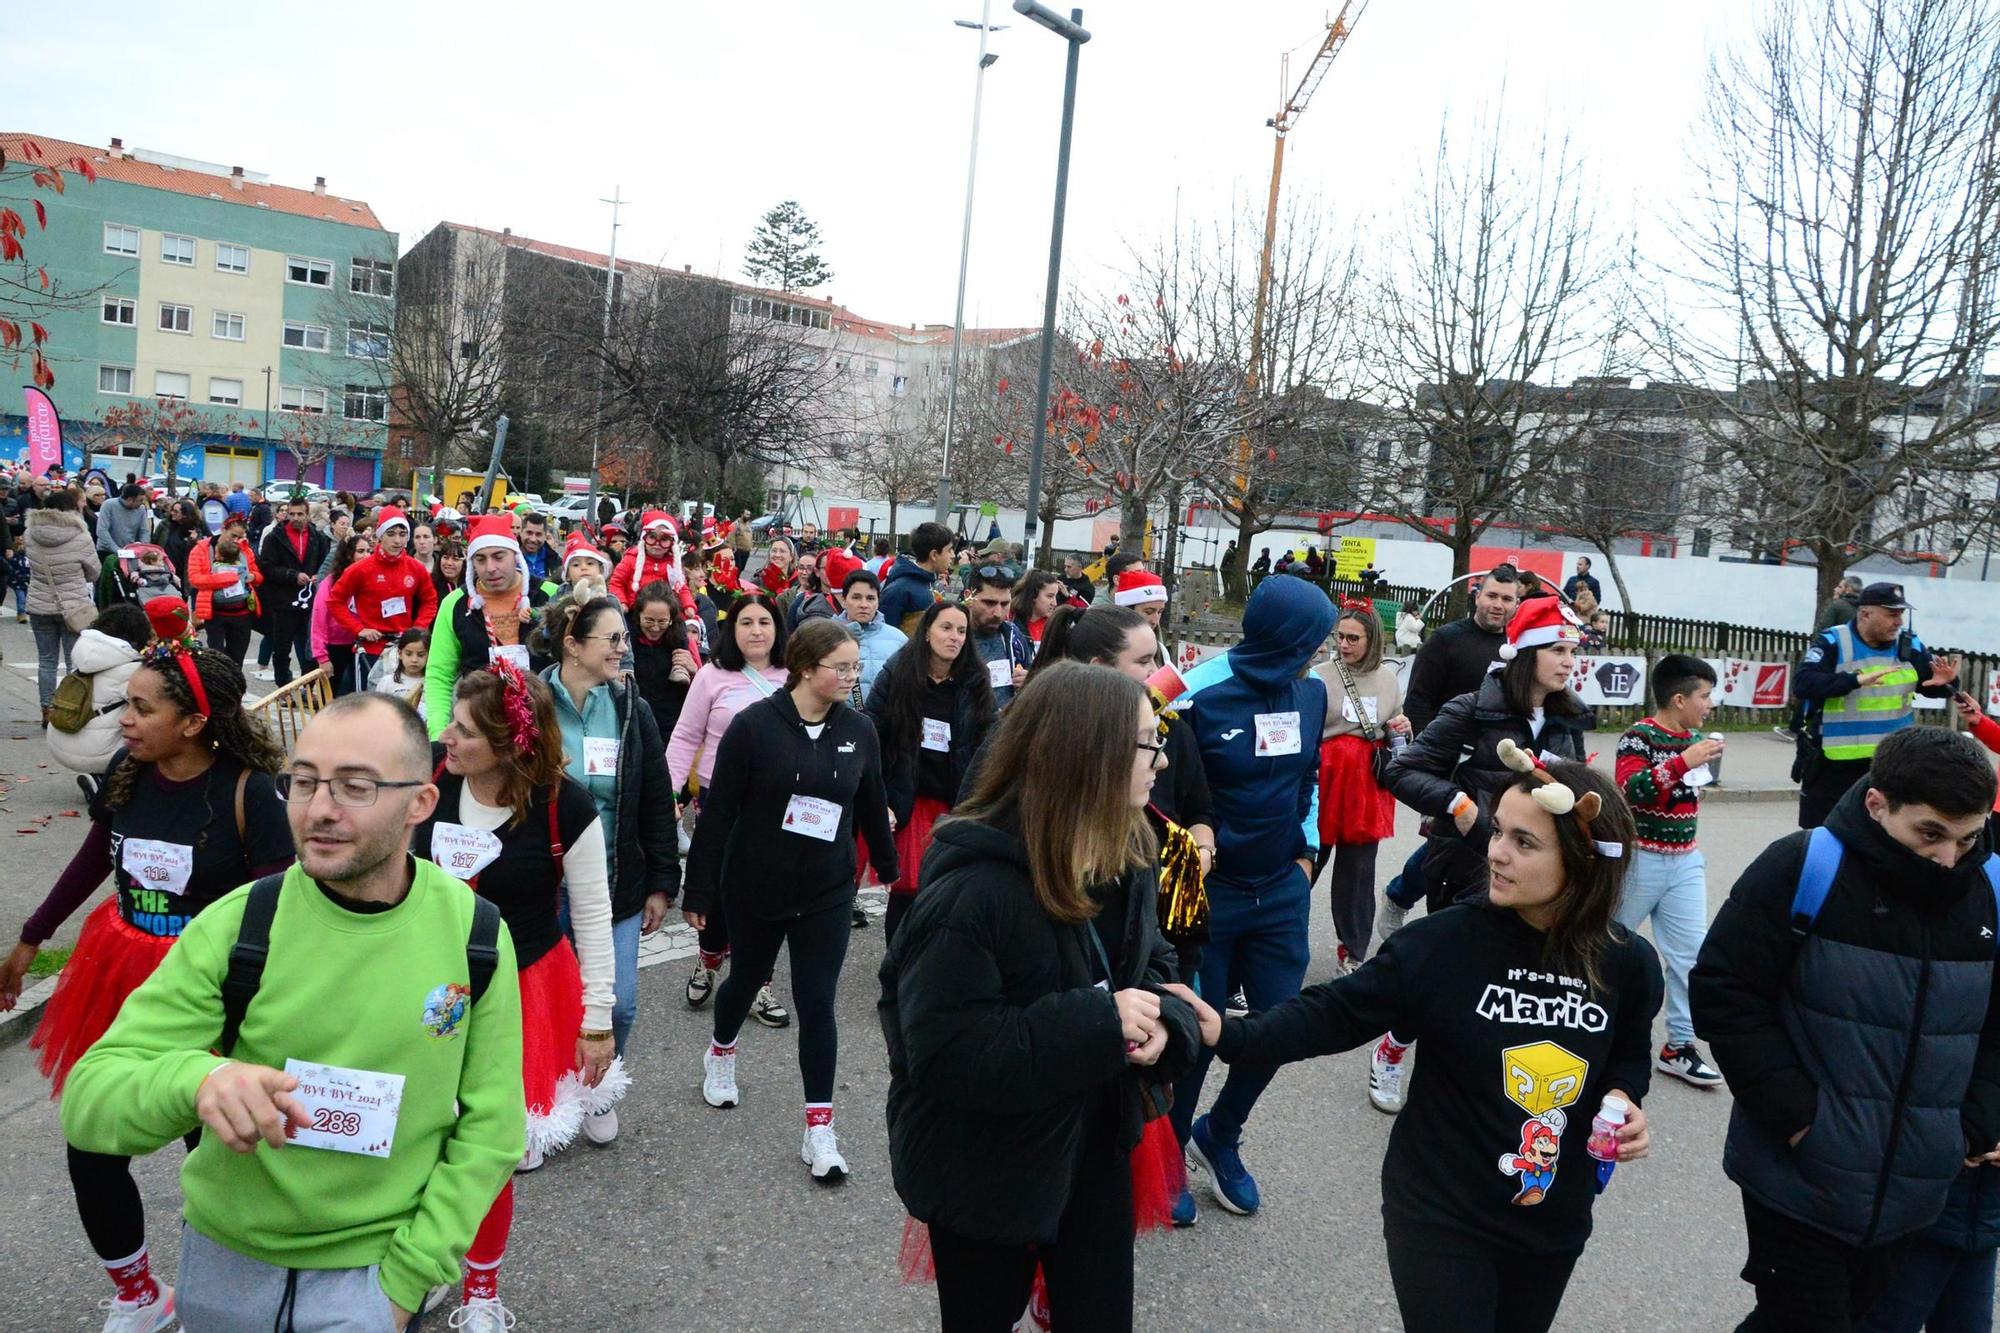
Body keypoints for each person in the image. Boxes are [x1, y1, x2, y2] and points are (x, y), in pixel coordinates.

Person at [59, 692, 525, 1333]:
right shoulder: (240, 924)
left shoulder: (475, 933)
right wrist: (199, 1080)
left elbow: (492, 1127)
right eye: (303, 782)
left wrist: (407, 1281)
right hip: (224, 1268)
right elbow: (91, 1102)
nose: (319, 810)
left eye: (355, 787)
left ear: (420, 803)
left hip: (375, 1274)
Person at [1183, 757, 1661, 1333]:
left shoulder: (1627, 963)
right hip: (1441, 1212)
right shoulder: (1445, 942)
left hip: (1553, 1218)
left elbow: (1629, 1052)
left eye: (1524, 842)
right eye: (1498, 831)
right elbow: (1336, 1012)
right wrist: (1230, 1032)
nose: (1496, 852)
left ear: (1582, 859)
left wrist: (1624, 1098)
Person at [880, 661, 1200, 1330]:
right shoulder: (971, 893)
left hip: (1096, 1142)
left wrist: (1168, 1021)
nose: (1164, 760)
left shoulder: (1128, 851)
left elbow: (1155, 964)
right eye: (1149, 743)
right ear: (1090, 753)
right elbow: (943, 1054)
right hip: (987, 1166)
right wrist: (1100, 1022)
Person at [1, 643, 290, 1332]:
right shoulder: (126, 771)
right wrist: (33, 936)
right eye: (123, 703)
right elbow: (92, 856)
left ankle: (215, 1297)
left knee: (211, 1152)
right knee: (93, 1141)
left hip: (212, 992)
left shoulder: (250, 792)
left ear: (192, 722)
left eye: (140, 706)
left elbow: (279, 909)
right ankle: (139, 1295)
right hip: (120, 976)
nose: (122, 719)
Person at [1691, 726, 2000, 1333]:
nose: (1949, 859)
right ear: (1877, 804)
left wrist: (1973, 1125)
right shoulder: (1803, 866)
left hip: (1918, 1183)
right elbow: (1725, 991)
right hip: (1799, 1178)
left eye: (1967, 839)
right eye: (1931, 834)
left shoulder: (1989, 888)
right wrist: (1799, 1119)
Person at [413, 665, 622, 1327]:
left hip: (521, 988)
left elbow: (592, 915)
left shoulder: (566, 806)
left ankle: (481, 1292)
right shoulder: (430, 782)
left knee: (488, 1149)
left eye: (465, 731)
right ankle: (426, 1263)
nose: (446, 736)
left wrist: (597, 1019)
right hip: (430, 987)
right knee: (420, 1138)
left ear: (510, 745)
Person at [682, 620, 896, 1179]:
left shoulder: (859, 729)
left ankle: (819, 1129)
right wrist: (699, 888)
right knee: (747, 980)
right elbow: (719, 815)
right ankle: (721, 1050)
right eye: (841, 667)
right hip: (756, 885)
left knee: (817, 1002)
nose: (851, 677)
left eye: (855, 667)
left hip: (827, 891)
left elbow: (871, 800)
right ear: (804, 668)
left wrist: (890, 867)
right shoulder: (754, 727)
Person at [1373, 594, 1590, 1115]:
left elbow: (1574, 790)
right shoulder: (1471, 709)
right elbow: (1402, 770)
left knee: (1507, 980)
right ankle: (1394, 1046)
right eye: (1558, 650)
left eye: (1573, 651)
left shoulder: (1568, 718)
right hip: (1464, 864)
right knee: (1447, 974)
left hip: (1535, 876)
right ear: (1527, 653)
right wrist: (1459, 804)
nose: (1569, 662)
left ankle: (1471, 1079)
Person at [1167, 576, 1331, 1224]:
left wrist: (1306, 853)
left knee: (1278, 1028)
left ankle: (1220, 1133)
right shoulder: (1192, 693)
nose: (1321, 653)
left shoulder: (1312, 693)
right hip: (1209, 893)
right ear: (1283, 637)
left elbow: (1308, 777)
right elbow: (1166, 793)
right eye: (1313, 640)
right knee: (1195, 1034)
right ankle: (1168, 1152)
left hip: (1281, 890)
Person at [536, 594, 679, 1145]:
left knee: (619, 1004)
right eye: (613, 639)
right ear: (573, 645)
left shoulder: (631, 710)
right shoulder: (529, 705)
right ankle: (543, 1099)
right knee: (547, 1001)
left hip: (617, 880)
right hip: (544, 887)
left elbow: (655, 799)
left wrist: (662, 882)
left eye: (624, 637)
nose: (624, 648)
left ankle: (598, 1088)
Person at [1029, 605, 1215, 987]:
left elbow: (1200, 808)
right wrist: (1102, 1011)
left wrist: (1200, 854)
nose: (1158, 673)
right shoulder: (1023, 856)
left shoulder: (1173, 732)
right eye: (1144, 661)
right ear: (1099, 668)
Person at [665, 592, 793, 1028]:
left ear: (778, 628)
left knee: (767, 897)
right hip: (720, 802)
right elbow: (686, 736)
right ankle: (708, 957)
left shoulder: (794, 675)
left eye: (764, 622)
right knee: (719, 893)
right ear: (731, 630)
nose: (756, 631)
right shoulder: (711, 676)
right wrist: (668, 794)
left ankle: (758, 983)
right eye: (746, 623)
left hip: (778, 808)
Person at [1615, 654, 1727, 1089]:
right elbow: (1629, 790)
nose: (1710, 704)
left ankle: (1679, 1046)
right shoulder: (1638, 737)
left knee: (1690, 957)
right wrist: (1683, 762)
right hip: (1640, 858)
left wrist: (1696, 762)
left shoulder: (1696, 739)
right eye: (1705, 696)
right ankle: (1594, 1025)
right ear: (1679, 699)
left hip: (1685, 860)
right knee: (1610, 945)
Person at [865, 601, 998, 940]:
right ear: (926, 632)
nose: (955, 637)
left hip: (955, 802)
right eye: (946, 628)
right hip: (908, 800)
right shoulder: (898, 672)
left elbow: (990, 742)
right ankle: (897, 962)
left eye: (962, 631)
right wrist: (880, 796)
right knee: (906, 894)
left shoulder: (975, 679)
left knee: (948, 894)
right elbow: (872, 733)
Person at [1792, 581, 1957, 830]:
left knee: (1886, 836)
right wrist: (1853, 681)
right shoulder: (1834, 641)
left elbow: (1932, 685)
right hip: (1835, 765)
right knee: (1826, 834)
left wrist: (1947, 683)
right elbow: (1803, 684)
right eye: (1891, 614)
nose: (1899, 622)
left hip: (1891, 763)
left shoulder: (1909, 646)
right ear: (1865, 614)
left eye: (1901, 614)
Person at [1313, 601, 1410, 972]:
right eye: (1340, 636)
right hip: (1325, 778)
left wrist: (1402, 727)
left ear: (1373, 640)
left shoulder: (1387, 679)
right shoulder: (1319, 675)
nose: (1344, 644)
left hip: (1366, 785)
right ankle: (1274, 940)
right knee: (1305, 861)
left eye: (1354, 638)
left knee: (1357, 873)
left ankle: (1352, 952)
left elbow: (1395, 725)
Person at [423, 514, 559, 738]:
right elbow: (439, 675)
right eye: (481, 559)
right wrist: (438, 735)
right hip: (480, 730)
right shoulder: (455, 604)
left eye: (498, 557)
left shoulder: (551, 596)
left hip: (542, 725)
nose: (490, 568)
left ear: (515, 555)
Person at [1402, 563, 1520, 736]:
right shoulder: (1444, 639)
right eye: (1491, 596)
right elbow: (1417, 701)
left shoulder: (1518, 646)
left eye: (1507, 599)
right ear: (1477, 597)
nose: (1498, 605)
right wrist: (1425, 744)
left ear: (1517, 604)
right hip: (1445, 744)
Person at [329, 506, 438, 694]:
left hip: (403, 649)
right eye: (391, 534)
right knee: (367, 703)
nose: (397, 540)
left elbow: (430, 600)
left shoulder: (416, 568)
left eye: (402, 534)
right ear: (380, 536)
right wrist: (359, 629)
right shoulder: (360, 569)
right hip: (370, 649)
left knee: (401, 702)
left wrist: (417, 629)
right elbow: (334, 601)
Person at [45, 602, 151, 790]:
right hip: (96, 751)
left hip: (59, 741)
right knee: (155, 721)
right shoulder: (131, 668)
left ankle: (100, 775)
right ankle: (109, 783)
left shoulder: (85, 652)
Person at [25, 486, 100, 723]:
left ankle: (46, 709)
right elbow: (94, 572)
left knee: (46, 661)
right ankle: (69, 709)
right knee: (73, 661)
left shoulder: (30, 534)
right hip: (74, 606)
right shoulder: (81, 536)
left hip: (39, 604)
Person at [257, 493, 332, 689]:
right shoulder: (275, 537)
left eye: (300, 514)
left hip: (310, 601)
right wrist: (292, 575)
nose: (296, 518)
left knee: (309, 648)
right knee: (282, 649)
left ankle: (308, 687)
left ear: (308, 515)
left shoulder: (319, 538)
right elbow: (266, 567)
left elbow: (326, 565)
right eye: (292, 514)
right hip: (283, 601)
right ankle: (284, 686)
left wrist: (317, 576)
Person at [630, 581, 699, 739]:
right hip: (635, 726)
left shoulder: (682, 642)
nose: (655, 628)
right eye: (649, 620)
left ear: (671, 619)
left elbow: (703, 691)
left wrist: (694, 671)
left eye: (662, 621)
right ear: (638, 616)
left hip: (671, 728)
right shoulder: (626, 644)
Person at [190, 525, 261, 666]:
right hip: (215, 613)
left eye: (240, 537)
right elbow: (195, 579)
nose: (236, 540)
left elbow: (258, 576)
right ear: (223, 530)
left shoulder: (244, 549)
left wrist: (253, 577)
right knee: (217, 659)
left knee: (237, 659)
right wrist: (228, 578)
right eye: (233, 535)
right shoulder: (202, 549)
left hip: (242, 613)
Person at [962, 565, 1032, 708]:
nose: (998, 613)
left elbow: (1030, 675)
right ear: (968, 596)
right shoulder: (949, 637)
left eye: (1005, 604)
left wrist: (1028, 681)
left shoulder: (1014, 636)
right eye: (989, 603)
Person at [311, 533, 370, 698]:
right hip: (334, 647)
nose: (366, 555)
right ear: (349, 555)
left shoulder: (371, 579)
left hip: (362, 645)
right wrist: (322, 657)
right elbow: (319, 620)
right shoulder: (331, 582)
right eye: (361, 551)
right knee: (332, 698)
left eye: (368, 551)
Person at [837, 567, 907, 699]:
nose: (864, 605)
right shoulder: (826, 637)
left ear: (878, 601)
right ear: (844, 600)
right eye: (856, 597)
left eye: (870, 598)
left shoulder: (899, 639)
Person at [880, 521, 955, 635]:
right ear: (934, 555)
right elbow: (885, 634)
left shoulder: (929, 583)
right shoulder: (900, 588)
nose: (953, 555)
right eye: (949, 550)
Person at [607, 510, 681, 609]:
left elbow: (681, 587)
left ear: (672, 543)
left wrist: (689, 606)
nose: (657, 543)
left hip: (664, 611)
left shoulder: (673, 563)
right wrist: (622, 602)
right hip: (633, 609)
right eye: (652, 537)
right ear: (644, 538)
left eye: (664, 539)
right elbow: (616, 582)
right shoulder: (631, 558)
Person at [368, 627, 430, 707]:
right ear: (400, 654)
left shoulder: (433, 683)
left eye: (420, 655)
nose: (414, 660)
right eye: (408, 654)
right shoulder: (387, 682)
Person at [95, 482, 152, 557]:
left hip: (129, 552)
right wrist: (118, 550)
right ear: (130, 499)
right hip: (107, 551)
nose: (142, 503)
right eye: (140, 500)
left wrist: (143, 547)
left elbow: (144, 531)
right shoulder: (108, 505)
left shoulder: (141, 509)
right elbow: (102, 530)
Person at [1009, 571, 1064, 646]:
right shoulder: (1009, 620)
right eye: (1050, 596)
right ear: (1033, 595)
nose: (1055, 603)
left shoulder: (1055, 627)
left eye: (1056, 596)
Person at [516, 509, 551, 582]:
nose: (533, 539)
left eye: (538, 534)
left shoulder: (554, 560)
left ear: (545, 536)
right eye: (529, 533)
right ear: (521, 532)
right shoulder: (511, 558)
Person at [432, 538, 466, 604]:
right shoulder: (431, 584)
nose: (449, 563)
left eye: (455, 559)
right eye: (446, 557)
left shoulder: (471, 587)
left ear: (464, 563)